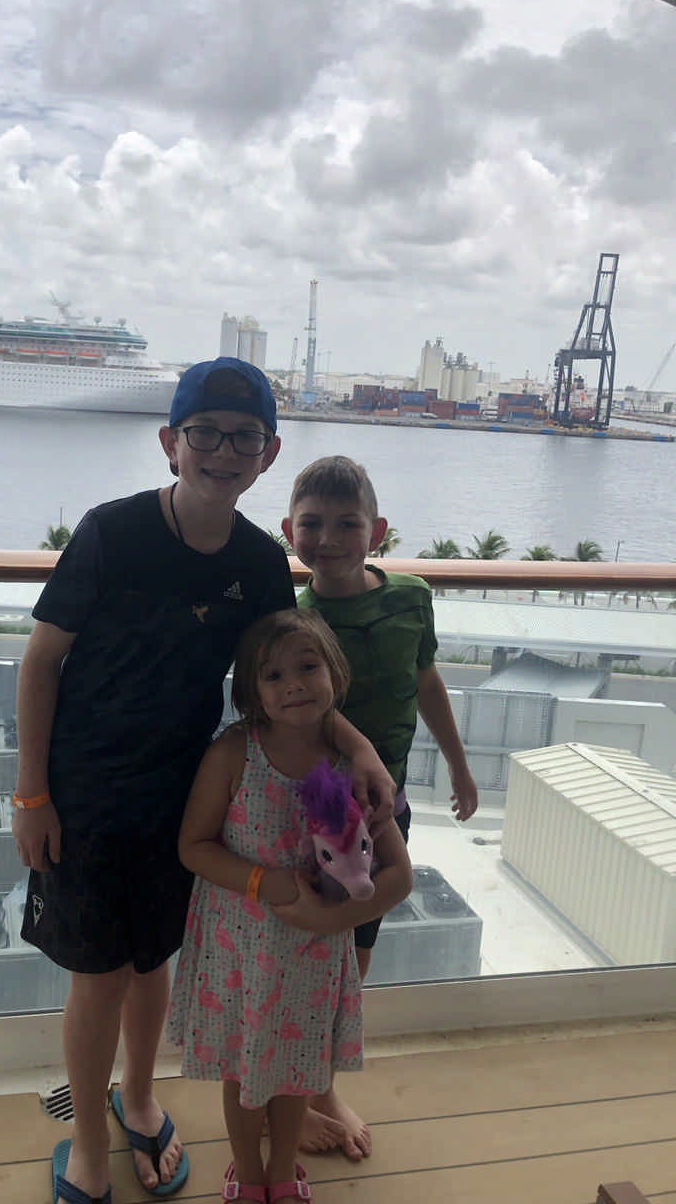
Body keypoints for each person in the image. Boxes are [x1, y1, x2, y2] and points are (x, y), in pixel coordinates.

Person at [12, 363, 395, 1204]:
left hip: (186, 796)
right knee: (98, 972)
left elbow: (287, 683)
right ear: (170, 443)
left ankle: (140, 1099)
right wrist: (31, 794)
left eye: (244, 436)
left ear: (268, 453)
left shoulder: (260, 563)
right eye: (205, 433)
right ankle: (84, 1138)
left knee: (155, 961)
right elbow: (42, 660)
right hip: (87, 793)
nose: (223, 451)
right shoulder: (112, 532)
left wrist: (356, 745)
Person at [167, 608, 413, 1204]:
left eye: (308, 666)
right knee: (244, 1074)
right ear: (252, 692)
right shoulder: (233, 753)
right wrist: (263, 882)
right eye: (273, 676)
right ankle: (248, 1175)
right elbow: (193, 848)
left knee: (298, 1069)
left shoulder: (353, 766)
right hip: (240, 955)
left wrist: (329, 920)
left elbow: (398, 875)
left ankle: (283, 1172)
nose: (294, 684)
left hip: (313, 957)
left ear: (336, 673)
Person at [281, 454, 479, 1160]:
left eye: (346, 523)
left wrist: (457, 763)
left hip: (386, 808)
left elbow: (425, 681)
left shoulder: (410, 599)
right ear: (288, 531)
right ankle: (294, 1092)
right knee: (304, 955)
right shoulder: (292, 618)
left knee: (354, 958)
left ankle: (319, 1082)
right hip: (313, 818)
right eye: (312, 524)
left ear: (378, 531)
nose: (327, 538)